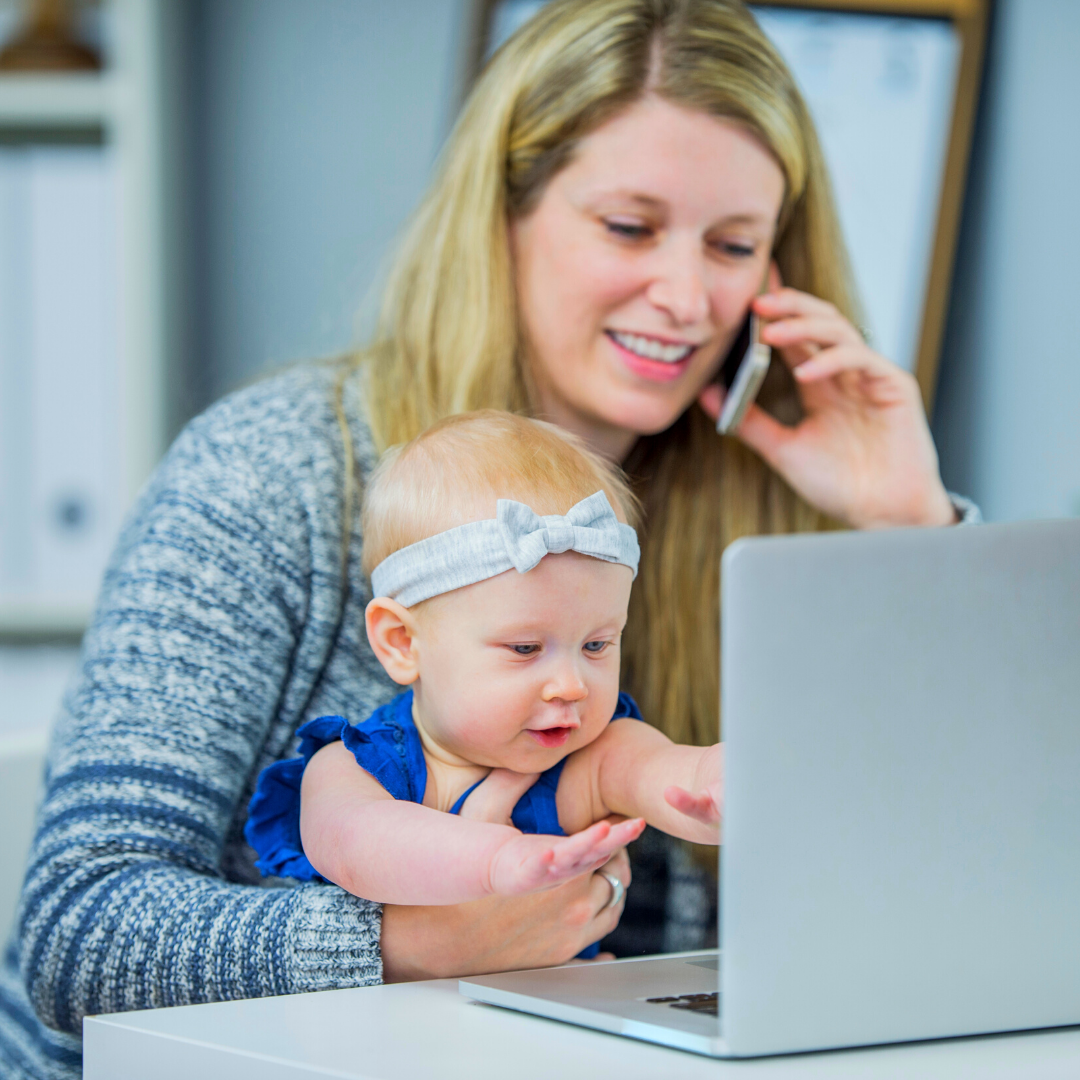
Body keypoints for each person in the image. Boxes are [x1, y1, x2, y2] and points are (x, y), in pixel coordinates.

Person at [0, 1, 977, 1076]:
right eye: (629, 226)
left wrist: (908, 527)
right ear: (502, 214)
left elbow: (934, 893)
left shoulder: (753, 505)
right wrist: (411, 946)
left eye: (736, 245)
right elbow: (77, 934)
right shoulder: (274, 474)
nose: (690, 296)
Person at [244, 412, 720, 943]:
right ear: (402, 643)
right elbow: (357, 848)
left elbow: (668, 773)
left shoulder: (592, 755)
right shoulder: (356, 769)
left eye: (596, 645)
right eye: (524, 648)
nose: (571, 685)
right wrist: (500, 861)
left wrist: (723, 789)